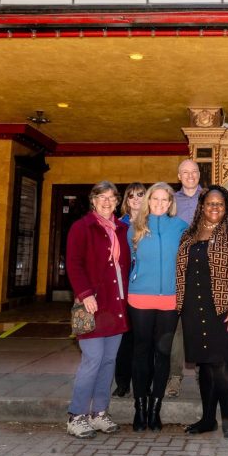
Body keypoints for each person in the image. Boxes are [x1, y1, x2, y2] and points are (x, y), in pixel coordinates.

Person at [176, 186, 228, 440]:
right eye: (210, 203)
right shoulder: (189, 236)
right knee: (206, 367)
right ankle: (207, 419)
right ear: (202, 206)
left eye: (219, 204)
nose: (214, 208)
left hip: (225, 310)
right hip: (194, 310)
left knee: (225, 366)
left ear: (226, 207)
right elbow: (181, 272)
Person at [65, 180, 130, 439]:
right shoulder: (82, 227)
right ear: (93, 200)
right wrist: (84, 294)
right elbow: (73, 263)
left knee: (109, 361)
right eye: (101, 197)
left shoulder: (122, 229)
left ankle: (99, 412)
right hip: (93, 303)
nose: (106, 201)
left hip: (116, 305)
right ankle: (77, 415)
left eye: (111, 198)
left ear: (116, 202)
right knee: (92, 360)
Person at [127, 182, 188, 432]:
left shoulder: (181, 227)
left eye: (165, 200)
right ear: (148, 201)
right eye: (155, 199)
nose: (160, 204)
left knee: (162, 353)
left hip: (170, 299)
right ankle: (139, 408)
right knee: (141, 351)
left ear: (171, 203)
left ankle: (155, 409)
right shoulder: (135, 227)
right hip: (140, 297)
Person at [168, 159, 202, 397]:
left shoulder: (210, 197)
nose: (190, 176)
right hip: (177, 270)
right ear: (179, 176)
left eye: (194, 172)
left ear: (200, 174)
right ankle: (175, 376)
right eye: (185, 172)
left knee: (202, 324)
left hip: (205, 270)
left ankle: (204, 374)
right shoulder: (170, 201)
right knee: (177, 327)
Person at [113, 182, 145, 399]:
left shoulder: (151, 223)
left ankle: (143, 382)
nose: (135, 199)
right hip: (123, 289)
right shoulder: (118, 225)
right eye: (131, 196)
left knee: (143, 339)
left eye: (140, 195)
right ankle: (122, 383)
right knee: (124, 338)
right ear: (126, 200)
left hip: (145, 288)